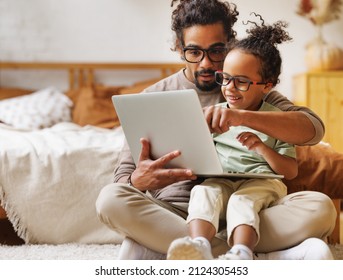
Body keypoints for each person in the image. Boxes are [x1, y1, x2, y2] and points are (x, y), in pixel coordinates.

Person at [96, 0, 336, 260]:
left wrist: (241, 116)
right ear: (179, 48)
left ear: (230, 44)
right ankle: (263, 256)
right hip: (176, 212)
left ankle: (165, 247)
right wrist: (140, 180)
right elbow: (123, 179)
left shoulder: (249, 92)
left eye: (216, 51)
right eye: (195, 52)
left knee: (321, 207)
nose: (206, 64)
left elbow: (313, 130)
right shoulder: (152, 97)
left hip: (253, 210)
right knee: (110, 200)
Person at [166, 16, 330, 260]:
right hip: (221, 180)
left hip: (262, 182)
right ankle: (199, 245)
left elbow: (290, 171)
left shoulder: (277, 119)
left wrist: (262, 148)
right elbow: (196, 156)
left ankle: (242, 252)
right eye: (226, 78)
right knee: (202, 193)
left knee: (241, 201)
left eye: (241, 82)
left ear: (267, 86)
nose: (230, 88)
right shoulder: (216, 114)